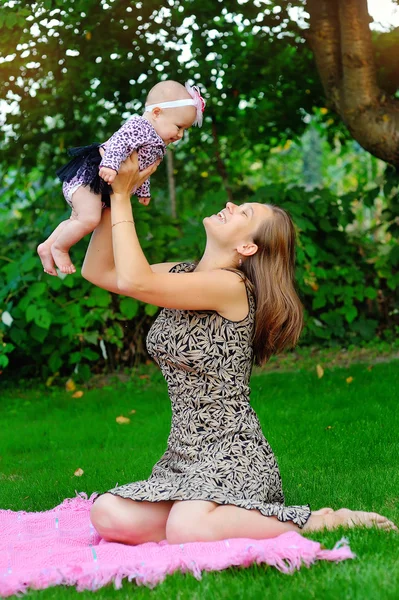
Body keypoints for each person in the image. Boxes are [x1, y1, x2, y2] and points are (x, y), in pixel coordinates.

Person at [82, 153, 397, 545]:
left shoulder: (230, 286)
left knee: (187, 527)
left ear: (248, 247)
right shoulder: (183, 274)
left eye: (243, 213)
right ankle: (210, 521)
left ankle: (316, 522)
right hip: (183, 458)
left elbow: (135, 280)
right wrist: (111, 194)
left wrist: (126, 195)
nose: (230, 205)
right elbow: (99, 272)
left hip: (234, 454)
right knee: (107, 514)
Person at [37, 80, 205, 277]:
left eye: (184, 130)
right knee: (89, 219)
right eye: (179, 127)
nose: (180, 135)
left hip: (100, 185)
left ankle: (47, 246)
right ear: (157, 113)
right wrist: (109, 164)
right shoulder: (140, 126)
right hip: (90, 177)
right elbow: (119, 142)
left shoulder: (157, 142)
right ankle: (60, 248)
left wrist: (143, 190)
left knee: (78, 219)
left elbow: (142, 169)